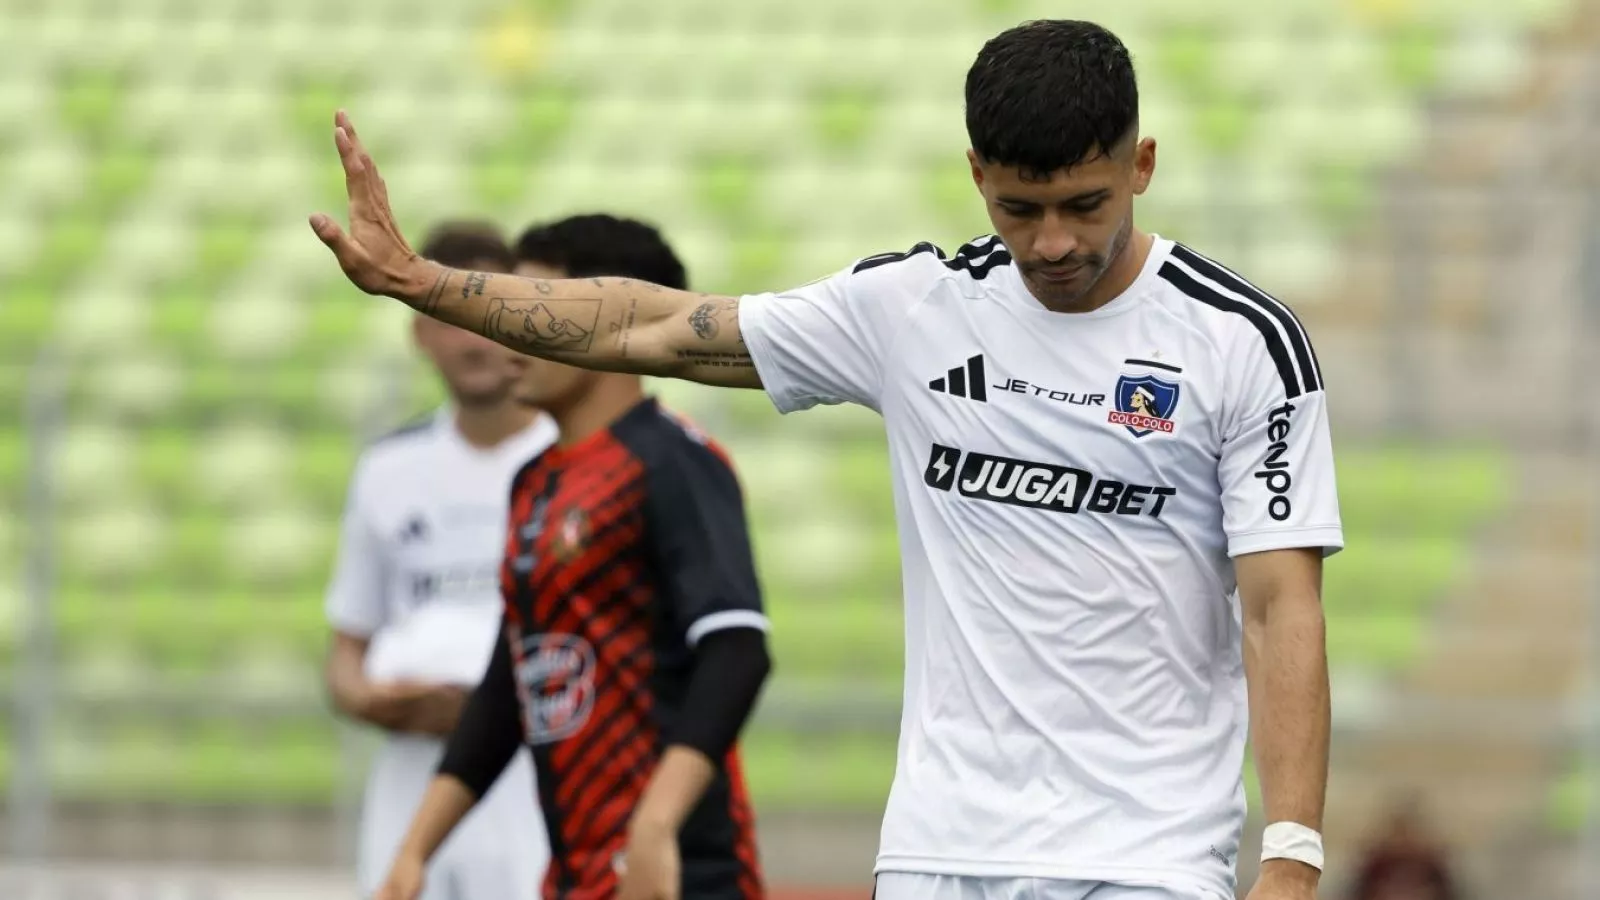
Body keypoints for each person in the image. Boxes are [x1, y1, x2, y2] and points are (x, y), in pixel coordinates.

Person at [314, 19, 1339, 900]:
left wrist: (1291, 854)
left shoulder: (1240, 343)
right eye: (1019, 210)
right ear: (976, 176)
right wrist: (423, 283)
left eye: (1085, 204)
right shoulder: (915, 311)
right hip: (941, 851)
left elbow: (1278, 608)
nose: (1053, 243)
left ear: (1141, 165)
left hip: (1148, 856)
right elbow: (649, 327)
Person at [374, 214, 772, 900]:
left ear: (616, 320)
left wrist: (656, 826)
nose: (510, 331)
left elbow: (736, 649)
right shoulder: (534, 483)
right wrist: (414, 851)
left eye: (536, 307)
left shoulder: (672, 462)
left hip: (677, 874)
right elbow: (509, 684)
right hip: (572, 876)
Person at [323, 221, 555, 900]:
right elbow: (346, 652)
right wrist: (373, 699)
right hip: (412, 771)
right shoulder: (388, 468)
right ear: (420, 333)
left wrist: (500, 705)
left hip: (536, 778)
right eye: (450, 317)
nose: (472, 338)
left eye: (487, 312)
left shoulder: (571, 461)